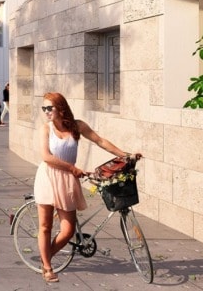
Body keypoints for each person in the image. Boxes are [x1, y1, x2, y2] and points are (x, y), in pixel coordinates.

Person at [34, 92, 140, 283]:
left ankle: (45, 256)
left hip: (67, 180)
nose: (46, 111)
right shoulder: (46, 129)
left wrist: (125, 155)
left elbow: (100, 141)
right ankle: (48, 267)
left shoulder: (77, 126)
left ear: (61, 108)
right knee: (45, 226)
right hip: (48, 177)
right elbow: (46, 157)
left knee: (68, 230)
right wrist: (72, 168)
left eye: (50, 108)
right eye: (44, 108)